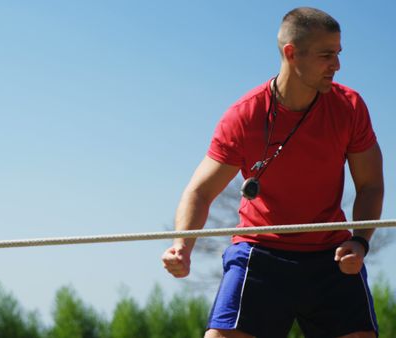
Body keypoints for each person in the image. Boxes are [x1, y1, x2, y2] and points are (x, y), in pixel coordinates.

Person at [161, 7, 384, 338]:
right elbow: (200, 192)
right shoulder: (243, 117)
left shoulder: (350, 107)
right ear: (292, 54)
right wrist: (182, 245)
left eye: (338, 54)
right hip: (259, 253)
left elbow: (370, 186)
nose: (337, 65)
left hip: (332, 255)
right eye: (327, 55)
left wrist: (360, 242)